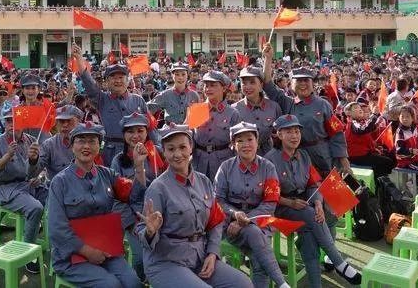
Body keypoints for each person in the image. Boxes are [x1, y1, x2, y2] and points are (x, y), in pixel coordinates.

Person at [136, 125, 253, 288]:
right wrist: (150, 231)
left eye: (183, 147)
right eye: (171, 149)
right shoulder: (158, 188)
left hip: (200, 257)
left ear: (191, 148)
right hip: (166, 262)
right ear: (164, 152)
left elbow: (216, 221)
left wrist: (212, 253)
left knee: (243, 284)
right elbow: (142, 232)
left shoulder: (203, 181)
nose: (177, 154)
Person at [265, 115, 361, 287]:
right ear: (279, 135)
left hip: (304, 205)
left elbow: (313, 183)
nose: (294, 136)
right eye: (288, 132)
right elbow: (269, 195)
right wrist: (291, 203)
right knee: (311, 214)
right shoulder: (270, 160)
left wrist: (317, 202)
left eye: (297, 131)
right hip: (281, 208)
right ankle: (339, 263)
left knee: (309, 236)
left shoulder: (303, 155)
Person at [47, 122, 147, 288]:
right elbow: (57, 229)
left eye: (92, 141)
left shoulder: (107, 174)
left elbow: (133, 195)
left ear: (99, 147)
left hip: (106, 251)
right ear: (72, 146)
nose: (86, 146)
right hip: (71, 257)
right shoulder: (60, 182)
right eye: (81, 141)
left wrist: (139, 166)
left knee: (134, 283)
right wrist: (87, 251)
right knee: (111, 285)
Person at [213, 122, 288, 288]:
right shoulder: (225, 168)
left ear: (257, 141)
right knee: (255, 237)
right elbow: (218, 200)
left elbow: (270, 202)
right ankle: (282, 283)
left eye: (250, 139)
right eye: (240, 141)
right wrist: (235, 215)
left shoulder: (268, 167)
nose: (246, 144)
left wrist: (246, 219)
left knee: (257, 255)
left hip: (260, 221)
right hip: (229, 223)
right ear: (233, 145)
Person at [262, 43, 350, 177]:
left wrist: (343, 160)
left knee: (330, 192)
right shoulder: (287, 102)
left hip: (323, 156)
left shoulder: (323, 104)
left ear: (312, 84)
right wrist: (268, 59)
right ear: (292, 85)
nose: (302, 84)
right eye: (298, 81)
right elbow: (268, 85)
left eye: (306, 80)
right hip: (298, 156)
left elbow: (336, 133)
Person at [0, 106, 47, 273]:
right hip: (7, 188)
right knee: (35, 208)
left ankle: (59, 245)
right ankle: (28, 251)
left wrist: (35, 166)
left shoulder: (31, 140)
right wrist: (6, 157)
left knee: (56, 197)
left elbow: (39, 169)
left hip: (29, 185)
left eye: (15, 121)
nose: (12, 124)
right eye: (8, 121)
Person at [72, 43, 151, 165]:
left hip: (135, 150)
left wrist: (157, 148)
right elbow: (89, 83)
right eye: (113, 77)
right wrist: (79, 59)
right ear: (107, 81)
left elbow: (150, 127)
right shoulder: (102, 99)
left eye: (121, 77)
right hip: (110, 152)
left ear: (127, 80)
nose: (117, 81)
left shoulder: (138, 100)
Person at [111, 112, 166, 281]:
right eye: (130, 131)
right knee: (141, 258)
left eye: (140, 130)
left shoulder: (157, 153)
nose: (135, 136)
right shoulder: (118, 161)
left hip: (160, 213)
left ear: (147, 132)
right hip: (133, 216)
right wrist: (139, 166)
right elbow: (121, 198)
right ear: (124, 135)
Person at [193, 70, 240, 181]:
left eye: (213, 85)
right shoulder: (196, 110)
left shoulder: (233, 113)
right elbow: (190, 137)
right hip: (199, 162)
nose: (208, 89)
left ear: (223, 88)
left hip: (223, 162)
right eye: (206, 85)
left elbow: (237, 143)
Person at [232, 66, 282, 156]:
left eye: (252, 82)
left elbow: (280, 134)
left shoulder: (273, 107)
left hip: (268, 156)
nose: (248, 87)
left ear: (261, 85)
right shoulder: (234, 109)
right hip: (244, 157)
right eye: (244, 83)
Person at [344, 100, 395, 178]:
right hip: (358, 157)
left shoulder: (359, 122)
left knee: (391, 154)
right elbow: (364, 129)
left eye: (359, 107)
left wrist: (376, 147)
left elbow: (368, 131)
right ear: (348, 113)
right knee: (388, 162)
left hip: (365, 154)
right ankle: (382, 183)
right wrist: (374, 115)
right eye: (355, 108)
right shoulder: (353, 122)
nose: (359, 109)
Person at [147, 62, 200, 126]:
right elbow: (148, 109)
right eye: (177, 74)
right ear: (172, 76)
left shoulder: (194, 96)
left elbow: (198, 119)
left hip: (188, 132)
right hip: (170, 132)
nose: (180, 77)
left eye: (183, 74)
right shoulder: (165, 95)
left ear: (187, 76)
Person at [39, 105, 84, 181]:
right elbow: (32, 172)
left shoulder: (88, 143)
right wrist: (32, 160)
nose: (65, 125)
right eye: (61, 121)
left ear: (79, 122)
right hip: (58, 189)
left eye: (69, 121)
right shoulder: (49, 145)